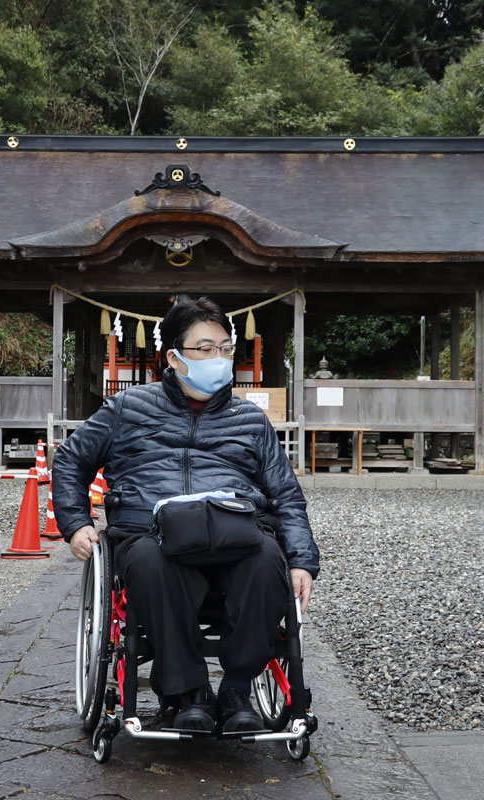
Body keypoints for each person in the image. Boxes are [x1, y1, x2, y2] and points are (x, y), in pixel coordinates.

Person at [52, 296, 319, 734]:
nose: (219, 358)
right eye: (206, 348)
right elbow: (70, 460)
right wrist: (76, 523)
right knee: (151, 563)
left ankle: (236, 689)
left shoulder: (251, 420)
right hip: (150, 534)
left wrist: (302, 561)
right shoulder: (128, 408)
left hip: (235, 532)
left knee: (268, 560)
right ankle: (189, 692)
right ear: (174, 357)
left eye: (226, 349)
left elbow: (286, 495)